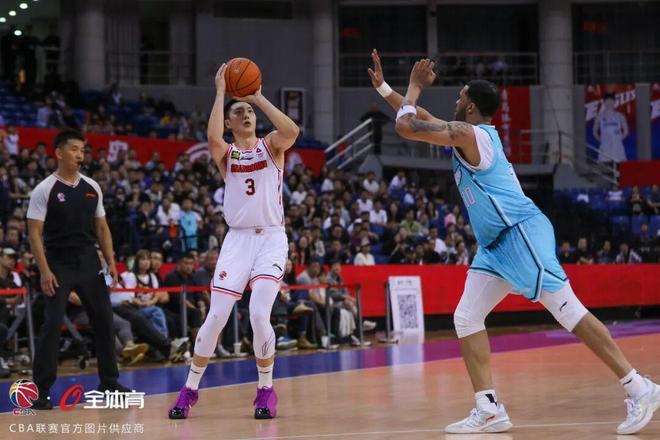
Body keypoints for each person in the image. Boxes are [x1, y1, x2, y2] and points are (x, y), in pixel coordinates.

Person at [371, 52, 659, 435]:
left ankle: (639, 388)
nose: (455, 100)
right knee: (466, 317)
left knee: (568, 311)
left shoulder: (471, 135)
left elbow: (408, 125)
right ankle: (489, 409)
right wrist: (384, 88)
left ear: (470, 106)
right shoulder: (468, 135)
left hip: (520, 233)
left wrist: (414, 85)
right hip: (495, 247)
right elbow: (417, 116)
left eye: (459, 96)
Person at [169, 62, 299, 420]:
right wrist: (221, 92)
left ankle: (265, 390)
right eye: (238, 112)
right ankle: (189, 389)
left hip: (271, 238)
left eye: (249, 112)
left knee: (258, 313)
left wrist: (258, 98)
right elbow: (213, 140)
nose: (246, 115)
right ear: (228, 122)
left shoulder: (271, 147)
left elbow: (292, 131)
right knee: (216, 317)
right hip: (237, 241)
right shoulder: (227, 154)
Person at [26, 130, 129, 410]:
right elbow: (34, 234)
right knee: (52, 324)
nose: (80, 155)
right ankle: (42, 391)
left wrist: (111, 261)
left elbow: (102, 227)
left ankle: (109, 383)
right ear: (59, 153)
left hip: (88, 261)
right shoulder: (45, 189)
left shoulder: (92, 186)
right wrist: (44, 271)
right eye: (74, 149)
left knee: (104, 320)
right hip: (58, 262)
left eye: (82, 150)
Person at [593, 93, 629, 163]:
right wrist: (601, 140)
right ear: (604, 102)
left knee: (620, 165)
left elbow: (626, 132)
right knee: (604, 165)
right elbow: (594, 132)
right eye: (607, 101)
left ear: (614, 102)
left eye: (611, 101)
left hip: (618, 147)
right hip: (605, 147)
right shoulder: (599, 116)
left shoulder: (620, 116)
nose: (609, 103)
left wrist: (618, 139)